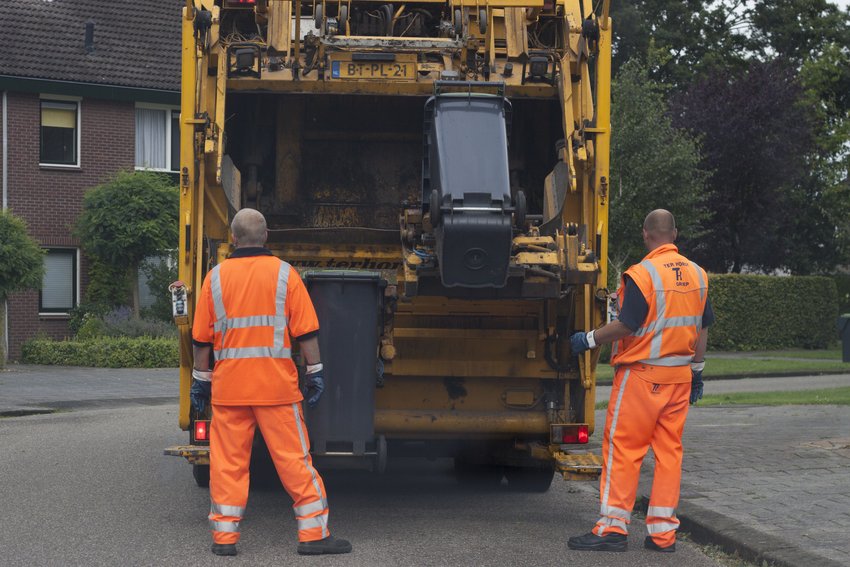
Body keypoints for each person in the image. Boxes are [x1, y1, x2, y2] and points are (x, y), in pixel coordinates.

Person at [190, 208, 352, 557]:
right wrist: (316, 371)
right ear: (265, 237)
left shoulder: (214, 279)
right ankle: (313, 535)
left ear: (233, 238)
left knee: (227, 464)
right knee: (294, 461)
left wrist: (200, 380)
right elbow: (306, 331)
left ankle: (224, 540)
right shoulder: (285, 275)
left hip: (230, 391)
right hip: (277, 391)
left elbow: (201, 339)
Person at [567, 209, 713, 553]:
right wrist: (697, 372)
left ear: (646, 235)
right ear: (674, 234)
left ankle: (612, 529)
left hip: (642, 378)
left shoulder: (642, 274)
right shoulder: (699, 274)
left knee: (623, 450)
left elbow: (626, 326)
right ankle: (663, 535)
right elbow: (702, 330)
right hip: (678, 379)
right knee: (668, 454)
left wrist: (587, 339)